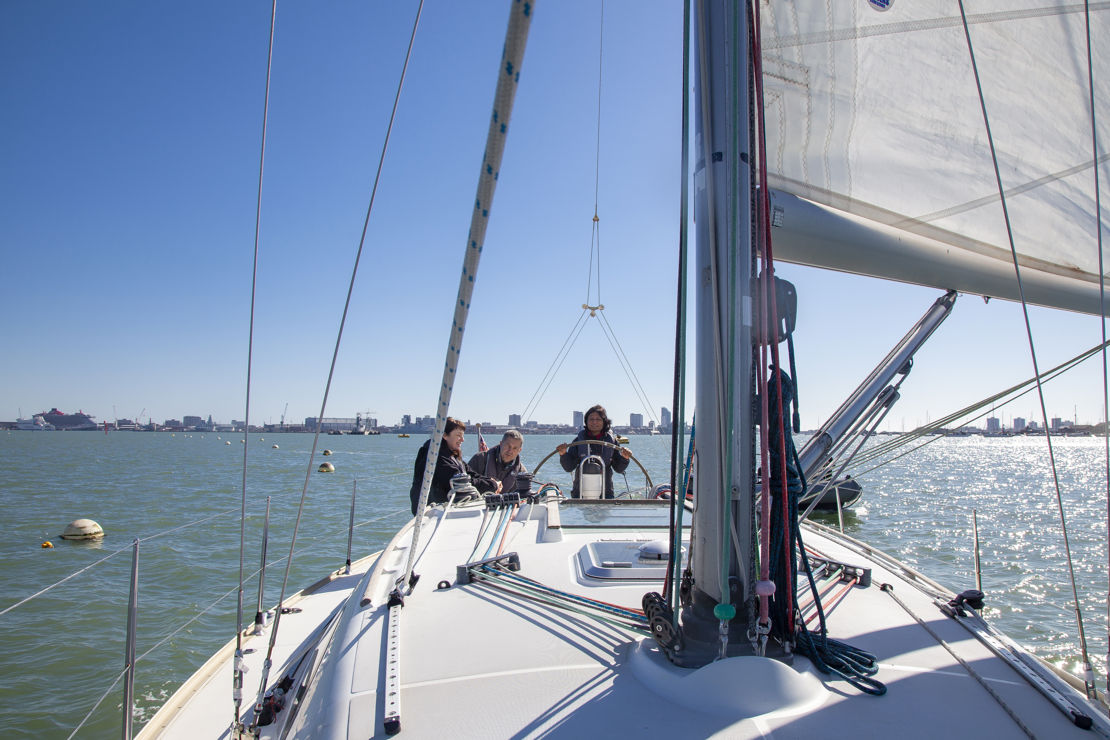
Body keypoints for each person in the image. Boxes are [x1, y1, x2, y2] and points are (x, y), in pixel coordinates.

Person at [409, 417, 501, 515]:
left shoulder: (452, 455)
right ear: (444, 435)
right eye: (458, 435)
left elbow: (470, 474)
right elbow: (458, 481)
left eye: (462, 436)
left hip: (447, 508)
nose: (462, 439)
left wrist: (492, 481)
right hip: (433, 513)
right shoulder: (434, 456)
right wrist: (492, 485)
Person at [557, 404, 631, 498]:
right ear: (586, 421)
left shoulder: (612, 442)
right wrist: (563, 454)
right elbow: (569, 467)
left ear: (604, 422)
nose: (594, 422)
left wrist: (625, 458)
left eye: (598, 419)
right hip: (580, 495)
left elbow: (619, 468)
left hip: (605, 494)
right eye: (591, 419)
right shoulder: (579, 441)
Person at [468, 429, 527, 495]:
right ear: (501, 444)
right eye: (508, 446)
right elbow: (466, 484)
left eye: (515, 448)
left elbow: (523, 496)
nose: (510, 451)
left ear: (519, 450)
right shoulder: (479, 459)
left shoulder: (522, 472)